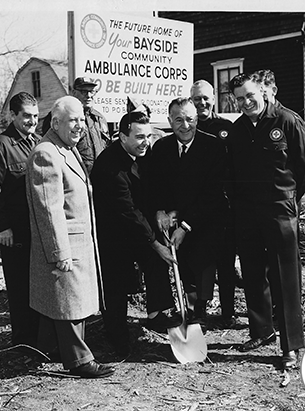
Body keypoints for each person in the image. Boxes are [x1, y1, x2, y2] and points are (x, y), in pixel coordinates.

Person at [227, 73, 305, 369]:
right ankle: (261, 330)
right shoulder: (237, 130)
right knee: (252, 273)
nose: (246, 102)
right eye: (239, 98)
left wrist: (288, 198)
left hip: (280, 210)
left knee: (285, 278)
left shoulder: (287, 121)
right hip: (247, 212)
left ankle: (290, 345)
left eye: (250, 95)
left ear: (263, 92)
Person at [26, 95, 114, 378]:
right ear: (55, 122)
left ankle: (48, 348)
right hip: (65, 243)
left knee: (64, 300)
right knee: (69, 303)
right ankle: (79, 360)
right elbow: (48, 209)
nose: (80, 126)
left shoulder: (64, 147)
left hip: (77, 240)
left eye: (81, 120)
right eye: (73, 120)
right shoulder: (47, 153)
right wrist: (59, 251)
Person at [90, 109, 178, 356]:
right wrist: (155, 242)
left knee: (156, 264)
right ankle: (116, 335)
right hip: (115, 233)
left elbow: (156, 186)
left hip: (140, 224)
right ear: (122, 136)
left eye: (148, 136)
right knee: (116, 284)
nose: (145, 142)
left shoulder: (146, 155)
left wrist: (162, 210)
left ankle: (156, 314)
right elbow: (127, 211)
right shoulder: (109, 166)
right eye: (139, 137)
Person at [149, 97, 228, 332]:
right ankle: (187, 311)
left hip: (206, 220)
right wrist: (161, 211)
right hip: (174, 219)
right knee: (182, 265)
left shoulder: (213, 147)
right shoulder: (161, 148)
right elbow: (157, 186)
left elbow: (213, 193)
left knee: (202, 264)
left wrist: (185, 225)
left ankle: (199, 313)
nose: (185, 126)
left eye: (190, 119)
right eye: (179, 120)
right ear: (169, 121)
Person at [0, 91, 41, 352]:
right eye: (26, 116)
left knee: (38, 285)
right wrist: (2, 226)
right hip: (14, 231)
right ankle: (23, 343)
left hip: (37, 229)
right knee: (19, 288)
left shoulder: (37, 142)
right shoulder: (1, 146)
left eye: (36, 116)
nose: (32, 121)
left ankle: (40, 339)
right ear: (12, 115)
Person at [190, 79, 238, 329]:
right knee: (202, 262)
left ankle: (228, 312)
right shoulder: (189, 127)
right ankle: (200, 311)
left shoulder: (225, 127)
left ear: (213, 99)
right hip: (200, 208)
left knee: (226, 262)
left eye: (205, 98)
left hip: (225, 207)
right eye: (197, 98)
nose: (202, 103)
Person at [42, 77, 111, 174]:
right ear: (74, 93)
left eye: (92, 91)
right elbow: (51, 148)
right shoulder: (58, 116)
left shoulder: (99, 119)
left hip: (100, 177)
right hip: (75, 176)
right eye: (83, 91)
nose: (89, 95)